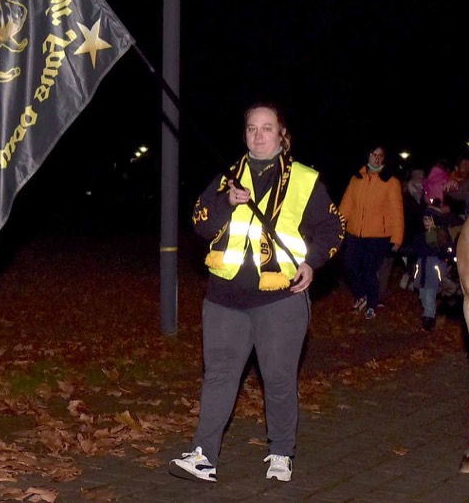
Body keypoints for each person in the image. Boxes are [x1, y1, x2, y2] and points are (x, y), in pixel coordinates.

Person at [169, 103, 345, 484]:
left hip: (280, 299)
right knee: (218, 376)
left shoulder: (304, 180)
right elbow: (199, 224)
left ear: (282, 134)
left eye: (267, 128)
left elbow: (334, 227)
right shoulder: (227, 179)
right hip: (224, 299)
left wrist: (312, 262)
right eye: (252, 128)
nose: (259, 135)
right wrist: (225, 203)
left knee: (278, 379)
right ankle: (203, 455)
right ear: (245, 134)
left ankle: (281, 452)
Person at [338, 145, 405, 319]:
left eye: (380, 155)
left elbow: (397, 212)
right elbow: (346, 207)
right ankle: (362, 294)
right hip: (355, 232)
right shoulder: (356, 179)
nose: (376, 158)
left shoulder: (390, 181)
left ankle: (372, 303)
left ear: (384, 158)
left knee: (369, 270)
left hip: (378, 236)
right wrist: (336, 229)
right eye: (373, 154)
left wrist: (397, 238)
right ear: (367, 156)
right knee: (349, 266)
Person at [410, 204, 453, 330]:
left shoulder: (440, 235)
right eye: (424, 219)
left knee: (429, 293)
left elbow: (446, 250)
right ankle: (428, 313)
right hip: (422, 268)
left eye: (429, 220)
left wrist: (443, 256)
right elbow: (415, 250)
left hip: (433, 269)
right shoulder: (421, 236)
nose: (426, 222)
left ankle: (429, 317)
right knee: (423, 293)